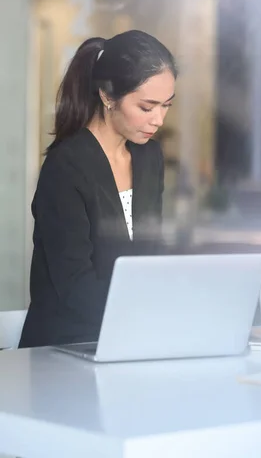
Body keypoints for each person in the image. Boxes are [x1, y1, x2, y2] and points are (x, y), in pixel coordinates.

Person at [19, 30, 177, 348]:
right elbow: (74, 283)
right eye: (147, 107)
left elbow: (149, 254)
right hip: (65, 346)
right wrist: (141, 320)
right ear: (107, 95)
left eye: (166, 106)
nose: (158, 119)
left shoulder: (148, 157)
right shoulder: (66, 167)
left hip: (127, 338)